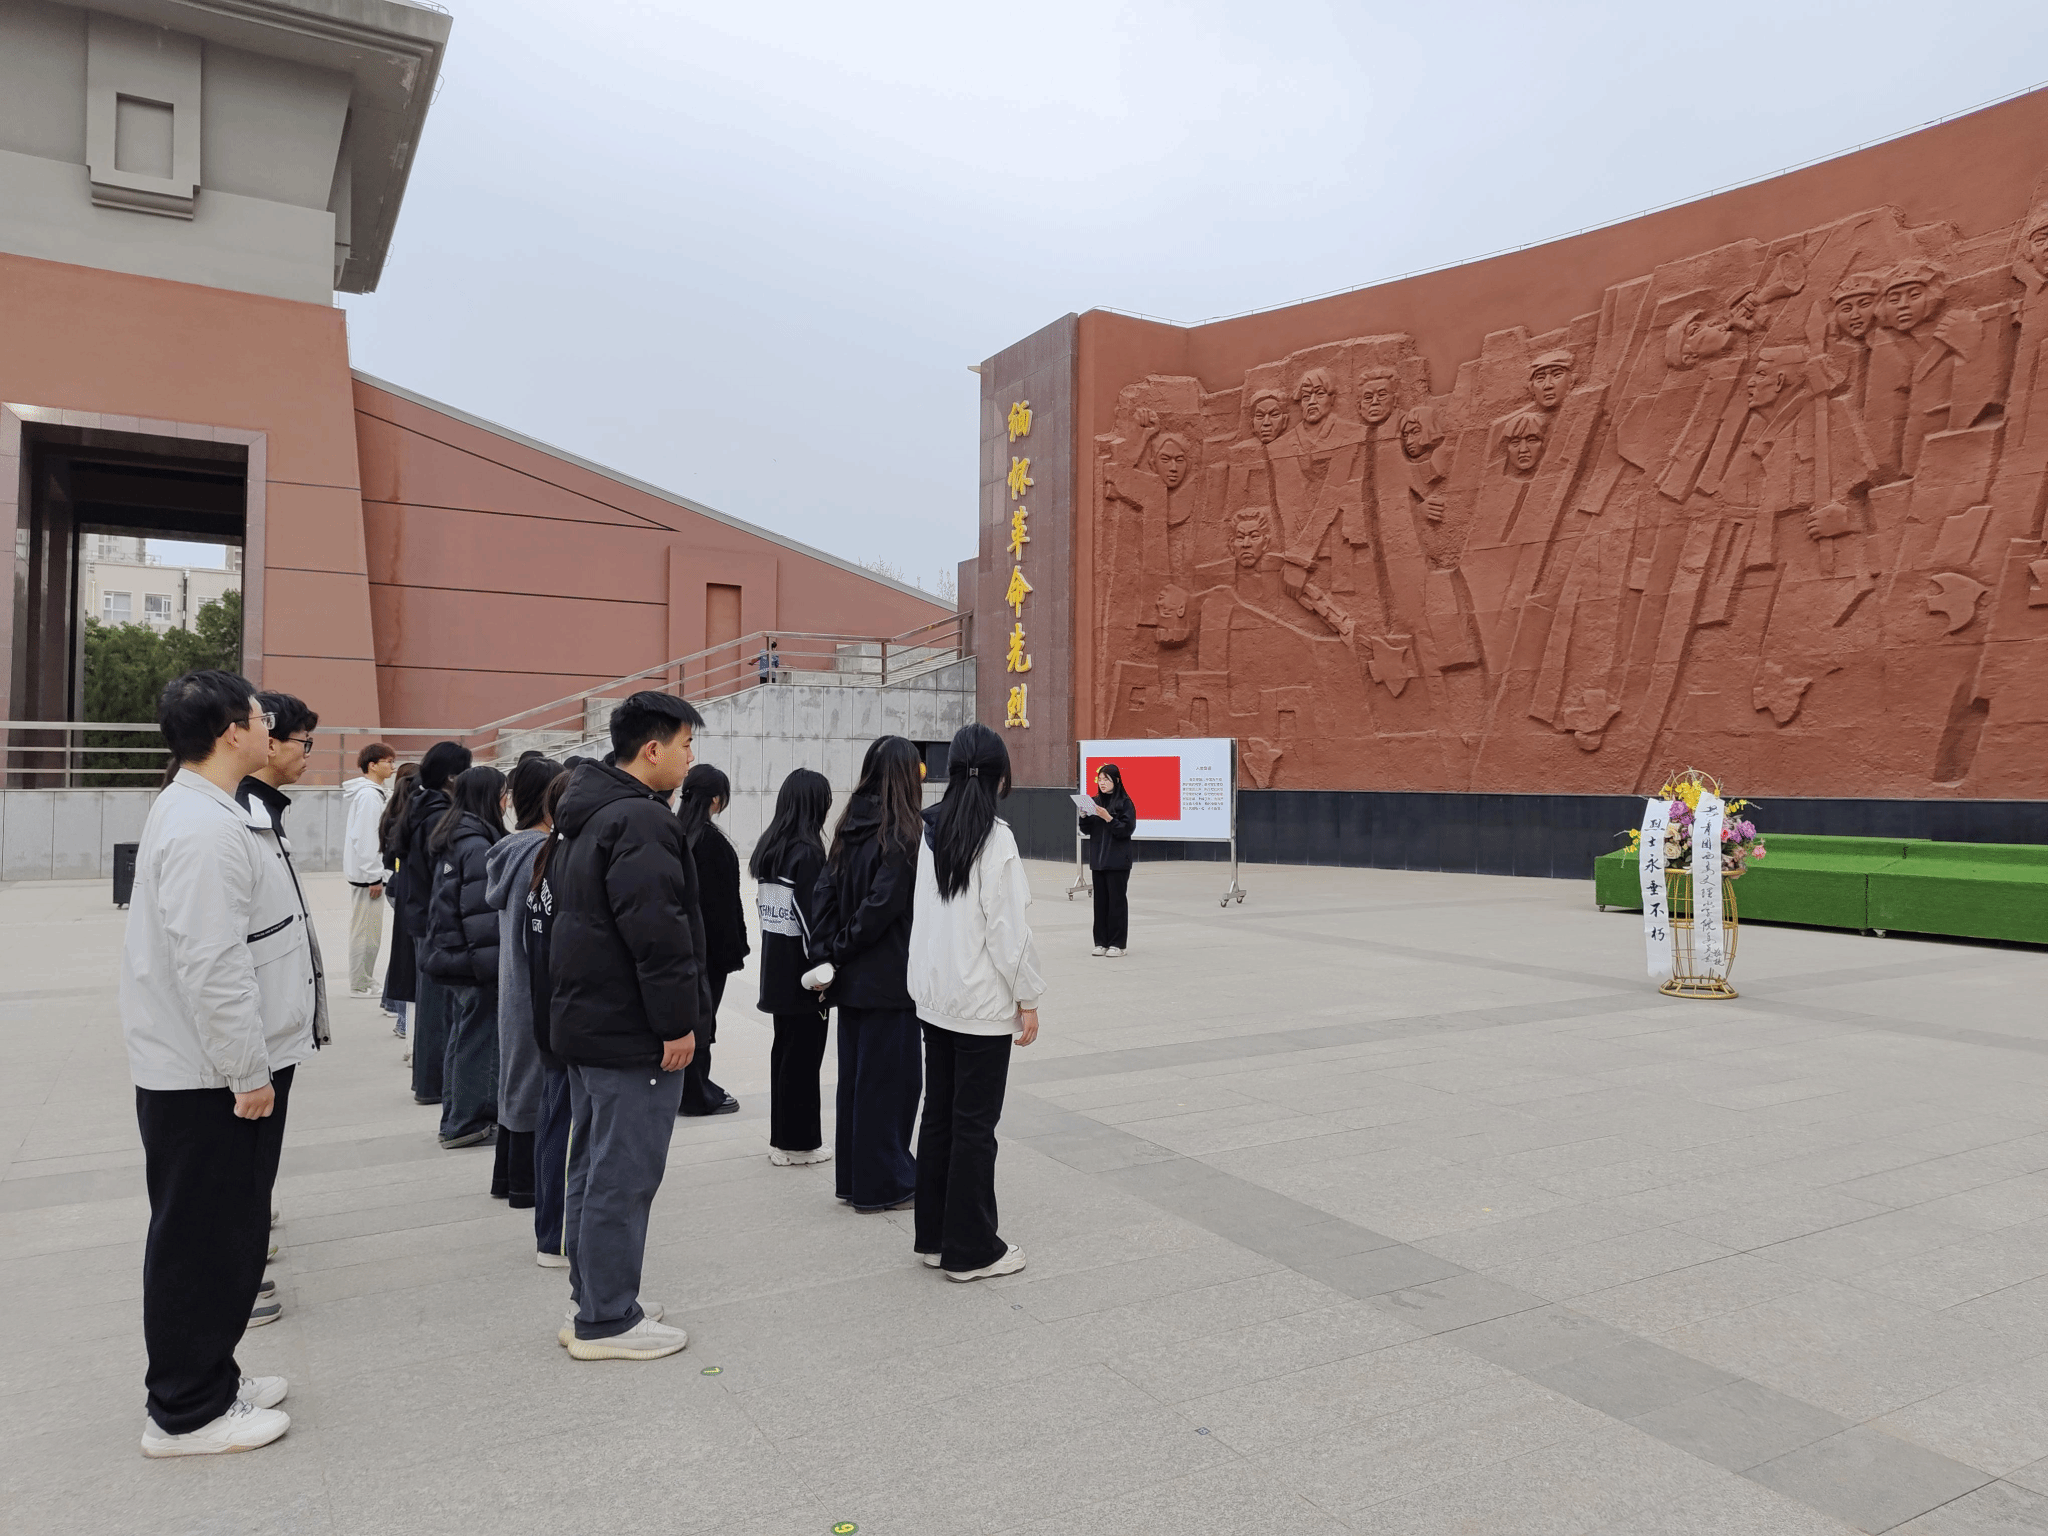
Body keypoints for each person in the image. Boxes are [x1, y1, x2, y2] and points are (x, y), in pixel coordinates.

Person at [123, 670, 320, 1456]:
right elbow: (213, 964)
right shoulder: (204, 828)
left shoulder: (213, 809)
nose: (272, 729)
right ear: (234, 732)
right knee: (202, 1239)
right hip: (209, 1076)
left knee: (224, 1231)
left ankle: (211, 1374)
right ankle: (185, 1410)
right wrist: (248, 1072)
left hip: (214, 1067)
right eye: (261, 718)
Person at [549, 691, 707, 1360]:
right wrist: (677, 1024)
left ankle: (595, 1296)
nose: (690, 757)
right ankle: (608, 1318)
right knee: (622, 1174)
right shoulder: (640, 820)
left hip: (590, 1023)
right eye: (685, 744)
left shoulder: (587, 811)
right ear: (652, 749)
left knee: (593, 1166)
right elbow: (658, 934)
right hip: (629, 1032)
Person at [906, 722, 1042, 1281]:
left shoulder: (928, 830)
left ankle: (935, 1238)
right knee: (974, 1127)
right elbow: (1009, 932)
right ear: (998, 775)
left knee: (938, 1117)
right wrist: (1028, 997)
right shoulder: (996, 838)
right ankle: (972, 1250)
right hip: (981, 1005)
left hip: (936, 999)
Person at [812, 736, 924, 1211]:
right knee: (891, 1086)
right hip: (889, 979)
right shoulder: (903, 833)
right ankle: (886, 1184)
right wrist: (841, 948)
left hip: (852, 980)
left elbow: (824, 893)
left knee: (857, 1084)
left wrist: (828, 953)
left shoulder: (848, 824)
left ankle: (855, 1181)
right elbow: (882, 906)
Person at [486, 757, 562, 1212]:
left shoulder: (509, 848)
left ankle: (507, 1177)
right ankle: (525, 1185)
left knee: (516, 1080)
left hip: (513, 981)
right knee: (535, 1082)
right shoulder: (541, 853)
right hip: (534, 985)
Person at [750, 767, 834, 1166]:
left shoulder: (770, 849)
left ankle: (781, 1141)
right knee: (803, 1061)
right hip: (804, 979)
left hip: (776, 972)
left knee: (784, 1057)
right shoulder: (809, 854)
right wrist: (824, 971)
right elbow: (813, 921)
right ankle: (799, 1145)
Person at [421, 765, 507, 1151]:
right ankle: (466, 1122)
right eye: (502, 793)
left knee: (462, 1037)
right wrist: (492, 968)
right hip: (473, 962)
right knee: (477, 1040)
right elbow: (480, 915)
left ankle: (456, 1118)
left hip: (454, 956)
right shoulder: (476, 845)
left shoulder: (455, 836)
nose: (506, 801)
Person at [395, 742, 472, 1106]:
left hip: (420, 914)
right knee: (436, 1007)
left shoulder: (421, 806)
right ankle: (432, 1083)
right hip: (431, 918)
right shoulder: (437, 814)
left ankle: (430, 1081)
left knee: (433, 1003)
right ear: (452, 777)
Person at [520, 769, 575, 1267]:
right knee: (563, 1127)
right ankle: (554, 1236)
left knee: (553, 1120)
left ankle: (551, 1230)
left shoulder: (548, 855)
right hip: (564, 1018)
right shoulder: (563, 862)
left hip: (548, 1012)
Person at [676, 764, 747, 1117]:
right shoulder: (712, 843)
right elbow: (722, 908)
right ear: (716, 800)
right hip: (709, 952)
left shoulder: (673, 833)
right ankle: (695, 1091)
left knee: (684, 1018)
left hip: (679, 946)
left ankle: (686, 1086)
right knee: (703, 1020)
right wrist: (733, 950)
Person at [343, 742, 395, 996]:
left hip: (369, 874)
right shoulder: (369, 796)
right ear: (372, 765)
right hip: (368, 878)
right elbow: (366, 838)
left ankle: (364, 979)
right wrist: (374, 875)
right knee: (366, 933)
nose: (392, 767)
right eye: (388, 761)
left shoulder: (373, 794)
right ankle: (361, 983)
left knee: (369, 932)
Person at [378, 761, 420, 1040]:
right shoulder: (410, 818)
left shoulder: (392, 812)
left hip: (395, 885)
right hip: (405, 889)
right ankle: (404, 1019)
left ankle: (395, 1007)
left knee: (401, 951)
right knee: (408, 955)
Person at [1079, 762, 1137, 956]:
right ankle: (1101, 942)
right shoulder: (1095, 802)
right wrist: (1084, 816)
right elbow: (1086, 830)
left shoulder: (1125, 803)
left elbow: (1126, 830)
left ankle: (1118, 944)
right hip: (1098, 861)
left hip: (1118, 862)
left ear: (1116, 781)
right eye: (1100, 779)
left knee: (1116, 903)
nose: (1102, 783)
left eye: (1107, 779)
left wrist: (1109, 818)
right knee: (1100, 903)